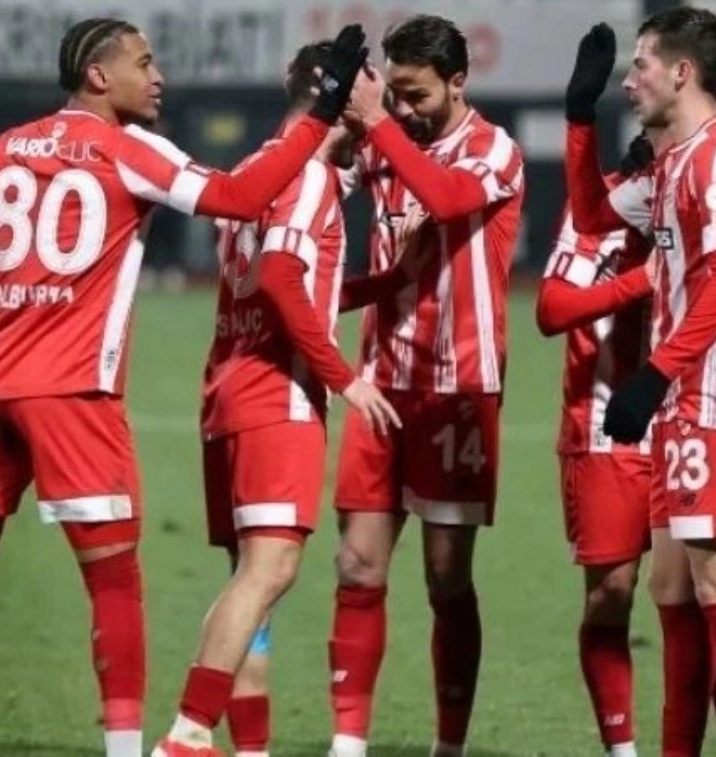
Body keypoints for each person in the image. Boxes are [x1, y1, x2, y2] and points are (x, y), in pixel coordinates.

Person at [0, 18, 370, 757]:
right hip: (76, 394)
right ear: (99, 76)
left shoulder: (4, 147)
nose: (158, 76)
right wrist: (323, 114)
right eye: (145, 62)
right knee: (113, 582)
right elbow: (240, 196)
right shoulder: (129, 147)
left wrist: (4, 331)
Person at [153, 39, 400, 757]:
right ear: (341, 103)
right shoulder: (310, 177)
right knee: (272, 569)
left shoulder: (257, 169)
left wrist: (388, 282)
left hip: (228, 387)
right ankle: (187, 734)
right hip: (274, 394)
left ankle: (244, 747)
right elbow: (284, 282)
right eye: (371, 100)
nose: (377, 118)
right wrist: (345, 378)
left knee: (252, 582)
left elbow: (292, 283)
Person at [564, 9, 716, 754]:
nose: (629, 81)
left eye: (641, 66)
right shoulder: (673, 162)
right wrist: (579, 119)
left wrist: (655, 373)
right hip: (683, 400)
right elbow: (592, 217)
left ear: (682, 72)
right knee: (673, 591)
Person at [324, 14, 525, 757]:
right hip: (381, 381)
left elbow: (443, 199)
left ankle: (449, 744)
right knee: (357, 565)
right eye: (397, 93)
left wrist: (379, 124)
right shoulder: (383, 137)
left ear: (458, 81)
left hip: (458, 387)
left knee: (445, 578)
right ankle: (348, 744)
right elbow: (313, 182)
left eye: (418, 95)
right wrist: (329, 122)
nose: (406, 108)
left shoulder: (492, 149)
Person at [534, 132, 661, 757]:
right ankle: (622, 749)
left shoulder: (712, 195)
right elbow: (552, 309)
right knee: (612, 594)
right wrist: (641, 281)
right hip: (607, 428)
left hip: (695, 424)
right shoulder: (599, 207)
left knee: (705, 594)